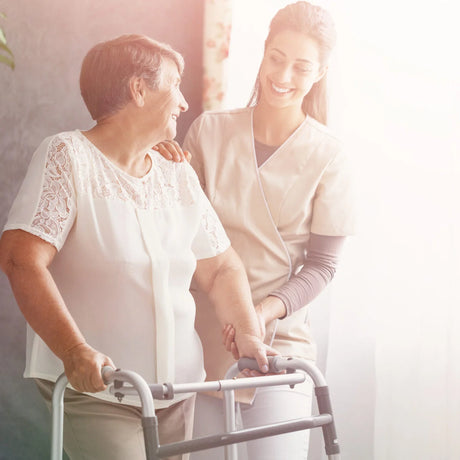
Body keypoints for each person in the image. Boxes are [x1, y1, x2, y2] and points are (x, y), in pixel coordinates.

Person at [0, 34, 276, 460]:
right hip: (99, 391)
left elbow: (221, 268)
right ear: (138, 89)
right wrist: (75, 352)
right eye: (175, 85)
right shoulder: (68, 157)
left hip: (177, 391)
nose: (184, 104)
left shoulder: (175, 172)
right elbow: (21, 259)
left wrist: (248, 333)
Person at [154, 2, 356, 459]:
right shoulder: (208, 132)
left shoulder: (330, 155)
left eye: (301, 66)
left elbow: (322, 266)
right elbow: (177, 232)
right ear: (263, 53)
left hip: (280, 347)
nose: (283, 75)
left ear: (321, 72)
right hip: (205, 345)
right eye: (276, 58)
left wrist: (263, 312)